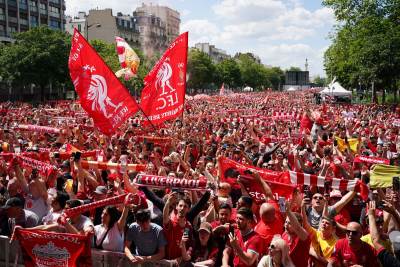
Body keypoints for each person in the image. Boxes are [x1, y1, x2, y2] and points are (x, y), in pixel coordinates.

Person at [302, 200, 337, 267]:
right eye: (323, 222)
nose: (324, 224)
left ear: (333, 229)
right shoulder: (315, 233)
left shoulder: (335, 244)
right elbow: (305, 225)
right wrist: (302, 209)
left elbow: (329, 264)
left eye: (327, 223)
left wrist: (313, 253)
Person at [163, 192, 193, 261]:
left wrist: (182, 258)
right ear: (176, 207)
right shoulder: (171, 222)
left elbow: (188, 245)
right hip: (167, 261)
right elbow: (165, 217)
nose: (182, 208)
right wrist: (168, 202)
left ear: (188, 209)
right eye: (180, 206)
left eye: (185, 206)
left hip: (180, 262)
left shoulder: (188, 226)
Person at [282, 200, 311, 267]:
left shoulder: (303, 237)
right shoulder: (284, 235)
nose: (286, 225)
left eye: (290, 223)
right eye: (286, 222)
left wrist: (288, 212)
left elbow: (297, 228)